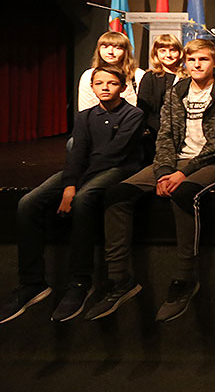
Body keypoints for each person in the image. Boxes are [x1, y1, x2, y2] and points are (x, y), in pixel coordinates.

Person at [85, 39, 215, 322]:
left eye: (203, 59)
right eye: (192, 60)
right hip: (174, 161)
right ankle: (119, 279)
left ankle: (185, 278)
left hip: (213, 162)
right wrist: (163, 171)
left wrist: (182, 173)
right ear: (185, 63)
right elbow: (165, 135)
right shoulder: (177, 91)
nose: (197, 65)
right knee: (117, 193)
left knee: (183, 194)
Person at [0, 66, 144, 324]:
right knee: (27, 203)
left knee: (83, 199)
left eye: (112, 83)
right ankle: (32, 282)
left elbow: (114, 154)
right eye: (99, 83)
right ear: (92, 86)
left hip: (119, 168)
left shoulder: (133, 114)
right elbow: (77, 154)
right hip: (85, 169)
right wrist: (69, 183)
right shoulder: (85, 116)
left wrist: (74, 186)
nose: (105, 87)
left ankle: (80, 281)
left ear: (123, 88)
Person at [137, 34, 187, 161]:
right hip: (155, 136)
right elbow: (143, 110)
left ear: (180, 52)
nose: (168, 55)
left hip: (185, 134)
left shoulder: (188, 77)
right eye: (163, 50)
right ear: (156, 54)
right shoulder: (150, 77)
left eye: (172, 50)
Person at [78, 31, 144, 111]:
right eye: (105, 47)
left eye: (117, 48)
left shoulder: (138, 75)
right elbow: (85, 110)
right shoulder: (88, 76)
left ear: (126, 51)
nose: (110, 52)